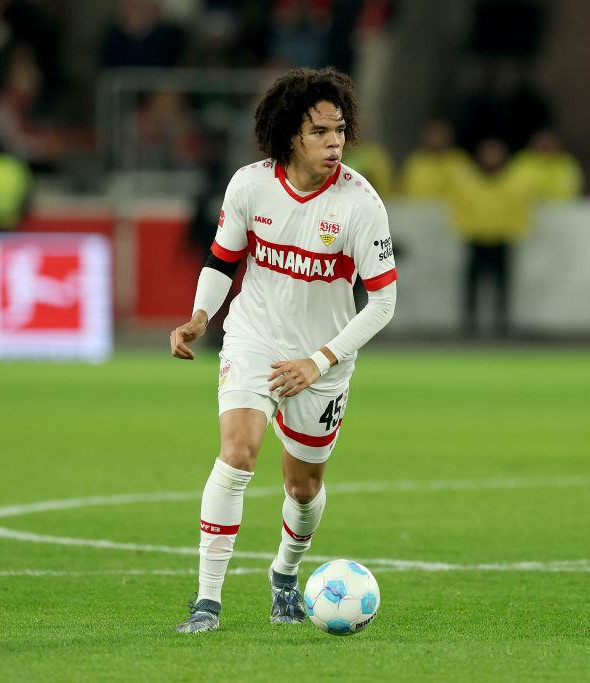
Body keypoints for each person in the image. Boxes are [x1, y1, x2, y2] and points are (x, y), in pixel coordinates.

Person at [169, 66, 397, 633]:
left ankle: (285, 575)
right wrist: (201, 316)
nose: (334, 142)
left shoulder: (360, 204)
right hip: (254, 337)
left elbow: (383, 303)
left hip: (322, 360)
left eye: (339, 130)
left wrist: (318, 362)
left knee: (304, 486)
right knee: (237, 454)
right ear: (290, 133)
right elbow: (223, 259)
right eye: (320, 131)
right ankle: (207, 602)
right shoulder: (250, 185)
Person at [450, 138, 530, 338]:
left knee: (502, 285)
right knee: (472, 284)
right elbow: (460, 210)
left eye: (495, 154)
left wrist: (512, 230)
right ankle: (469, 323)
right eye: (488, 154)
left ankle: (502, 323)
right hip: (476, 240)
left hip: (501, 240)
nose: (491, 158)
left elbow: (520, 210)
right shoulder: (470, 182)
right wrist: (469, 229)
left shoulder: (512, 182)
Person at [508, 128, 583, 202]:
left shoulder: (565, 162)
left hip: (558, 205)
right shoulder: (523, 160)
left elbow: (571, 187)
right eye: (542, 142)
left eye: (549, 142)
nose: (545, 145)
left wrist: (547, 195)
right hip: (526, 205)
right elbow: (514, 185)